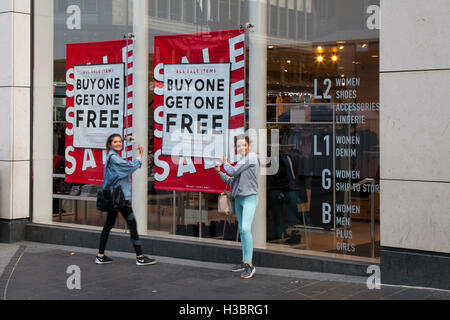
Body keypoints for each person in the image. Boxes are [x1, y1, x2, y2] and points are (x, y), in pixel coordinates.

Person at [95, 134, 156, 266]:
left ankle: (100, 256)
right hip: (119, 197)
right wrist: (140, 155)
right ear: (110, 144)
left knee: (108, 226)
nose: (118, 143)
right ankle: (140, 257)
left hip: (114, 197)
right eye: (115, 142)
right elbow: (129, 167)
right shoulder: (114, 158)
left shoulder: (112, 156)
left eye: (119, 142)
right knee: (132, 224)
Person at [215, 134, 259, 279]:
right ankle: (245, 261)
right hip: (239, 199)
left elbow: (233, 171)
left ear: (248, 145)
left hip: (250, 199)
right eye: (239, 146)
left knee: (246, 228)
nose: (242, 148)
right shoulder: (241, 161)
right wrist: (219, 172)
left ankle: (250, 265)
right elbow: (232, 179)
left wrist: (225, 162)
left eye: (244, 145)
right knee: (242, 229)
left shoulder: (251, 157)